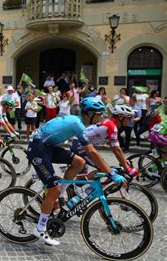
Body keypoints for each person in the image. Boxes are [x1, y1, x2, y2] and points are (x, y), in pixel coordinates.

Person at [28, 98, 126, 246]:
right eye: (99, 114)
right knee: (53, 190)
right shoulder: (77, 124)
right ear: (90, 113)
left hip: (46, 146)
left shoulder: (79, 123)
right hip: (37, 149)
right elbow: (92, 152)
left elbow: (89, 153)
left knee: (79, 162)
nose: (101, 117)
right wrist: (111, 173)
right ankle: (40, 228)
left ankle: (62, 194)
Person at [70, 100, 139, 175]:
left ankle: (77, 184)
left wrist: (124, 161)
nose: (131, 120)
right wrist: (128, 169)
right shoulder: (112, 126)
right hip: (80, 146)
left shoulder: (110, 123)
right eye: (129, 118)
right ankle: (90, 186)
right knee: (104, 169)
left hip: (79, 143)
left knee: (81, 177)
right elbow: (116, 149)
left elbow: (116, 148)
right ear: (120, 117)